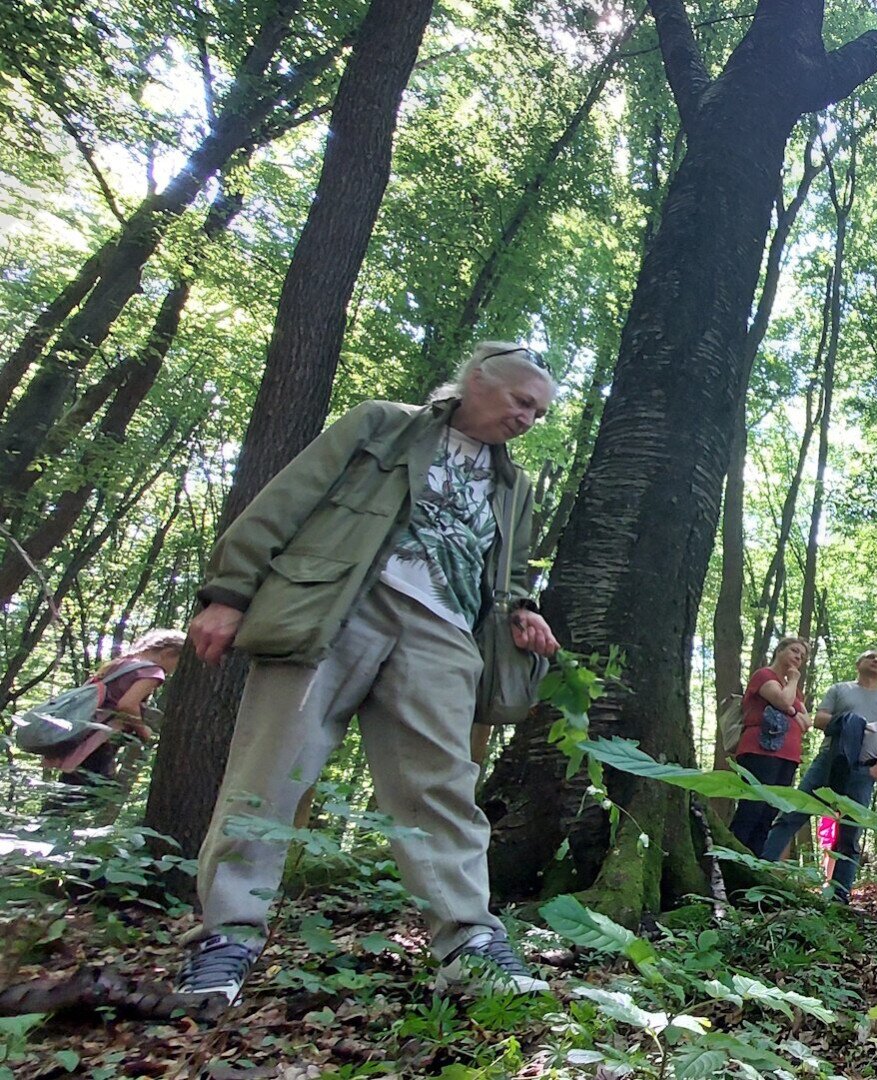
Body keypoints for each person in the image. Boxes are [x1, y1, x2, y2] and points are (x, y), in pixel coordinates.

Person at [176, 342, 561, 1006]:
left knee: (442, 787)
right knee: (271, 771)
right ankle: (226, 938)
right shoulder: (381, 424)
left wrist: (523, 610)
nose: (527, 418)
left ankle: (469, 943)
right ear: (476, 379)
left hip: (445, 634)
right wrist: (229, 592)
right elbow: (289, 498)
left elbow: (512, 569)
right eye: (520, 401)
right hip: (334, 607)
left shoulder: (515, 487)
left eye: (539, 412)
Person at [758, 649, 877, 902]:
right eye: (870, 656)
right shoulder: (840, 690)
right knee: (792, 814)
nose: (876, 660)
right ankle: (762, 872)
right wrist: (848, 722)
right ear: (858, 663)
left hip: (862, 771)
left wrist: (876, 770)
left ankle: (840, 894)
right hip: (828, 763)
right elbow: (820, 719)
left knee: (850, 833)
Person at [44, 629, 185, 817]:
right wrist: (143, 731)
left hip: (82, 734)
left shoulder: (121, 664)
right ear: (168, 653)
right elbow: (127, 705)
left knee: (70, 789)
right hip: (100, 739)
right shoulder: (152, 671)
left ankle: (45, 825)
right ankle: (47, 828)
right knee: (92, 793)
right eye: (177, 664)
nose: (173, 671)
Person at [729, 636, 809, 858]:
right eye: (794, 651)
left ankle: (754, 863)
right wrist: (793, 682)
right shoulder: (764, 676)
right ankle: (732, 860)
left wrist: (791, 708)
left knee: (769, 813)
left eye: (802, 656)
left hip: (788, 756)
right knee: (752, 808)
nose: (798, 657)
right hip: (760, 751)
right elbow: (783, 701)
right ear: (779, 650)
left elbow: (807, 722)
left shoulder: (794, 691)